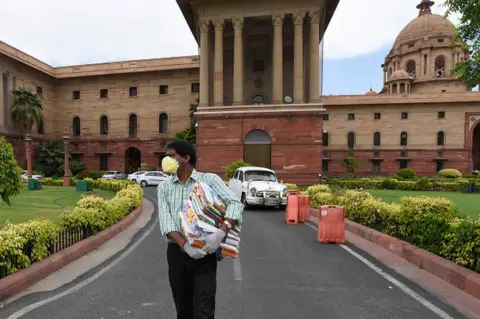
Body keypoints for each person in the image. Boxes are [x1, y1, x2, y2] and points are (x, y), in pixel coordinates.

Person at [157, 140, 243, 319]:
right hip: (178, 253)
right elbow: (166, 221)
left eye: (171, 155)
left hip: (206, 251)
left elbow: (234, 203)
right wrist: (184, 245)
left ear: (186, 158)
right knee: (183, 309)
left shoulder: (209, 180)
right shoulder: (164, 186)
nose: (166, 159)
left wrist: (221, 232)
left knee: (204, 309)